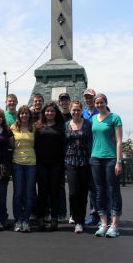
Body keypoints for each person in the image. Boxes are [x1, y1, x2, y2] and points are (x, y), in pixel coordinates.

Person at [90, 93, 123, 238]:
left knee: (113, 190)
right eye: (97, 103)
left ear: (106, 102)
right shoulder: (93, 119)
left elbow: (119, 141)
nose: (99, 105)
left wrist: (118, 161)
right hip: (95, 158)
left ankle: (114, 225)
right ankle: (103, 223)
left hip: (110, 159)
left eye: (101, 102)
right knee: (99, 191)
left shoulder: (115, 118)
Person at [35, 102, 65, 231]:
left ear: (55, 113)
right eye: (47, 111)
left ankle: (54, 219)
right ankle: (41, 218)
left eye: (52, 111)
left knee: (54, 193)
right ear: (44, 113)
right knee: (42, 193)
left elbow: (64, 146)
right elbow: (34, 145)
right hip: (41, 164)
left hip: (56, 165)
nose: (49, 113)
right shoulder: (38, 126)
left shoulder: (61, 127)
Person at [65, 100, 92, 233]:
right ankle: (75, 217)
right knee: (73, 193)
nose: (76, 112)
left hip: (85, 161)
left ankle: (80, 221)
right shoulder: (66, 125)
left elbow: (91, 141)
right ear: (70, 111)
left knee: (83, 193)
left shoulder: (88, 124)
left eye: (78, 110)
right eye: (73, 110)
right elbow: (63, 143)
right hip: (71, 162)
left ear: (82, 110)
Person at [11, 105, 36, 232]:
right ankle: (18, 220)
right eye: (22, 113)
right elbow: (10, 144)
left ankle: (26, 220)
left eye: (27, 113)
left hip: (31, 163)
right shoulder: (13, 128)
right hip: (17, 162)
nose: (24, 115)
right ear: (19, 115)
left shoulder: (34, 128)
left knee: (29, 193)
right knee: (18, 193)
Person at [82, 88, 100, 226]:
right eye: (86, 97)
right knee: (91, 188)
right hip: (85, 154)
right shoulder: (82, 113)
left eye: (90, 97)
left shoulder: (100, 112)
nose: (88, 100)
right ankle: (94, 214)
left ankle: (103, 215)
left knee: (100, 187)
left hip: (98, 153)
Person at [58, 92, 71, 222]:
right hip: (60, 155)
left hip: (73, 155)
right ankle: (61, 213)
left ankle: (73, 214)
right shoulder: (56, 116)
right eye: (62, 100)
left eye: (66, 99)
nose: (64, 102)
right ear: (59, 102)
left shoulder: (74, 115)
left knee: (74, 187)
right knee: (59, 186)